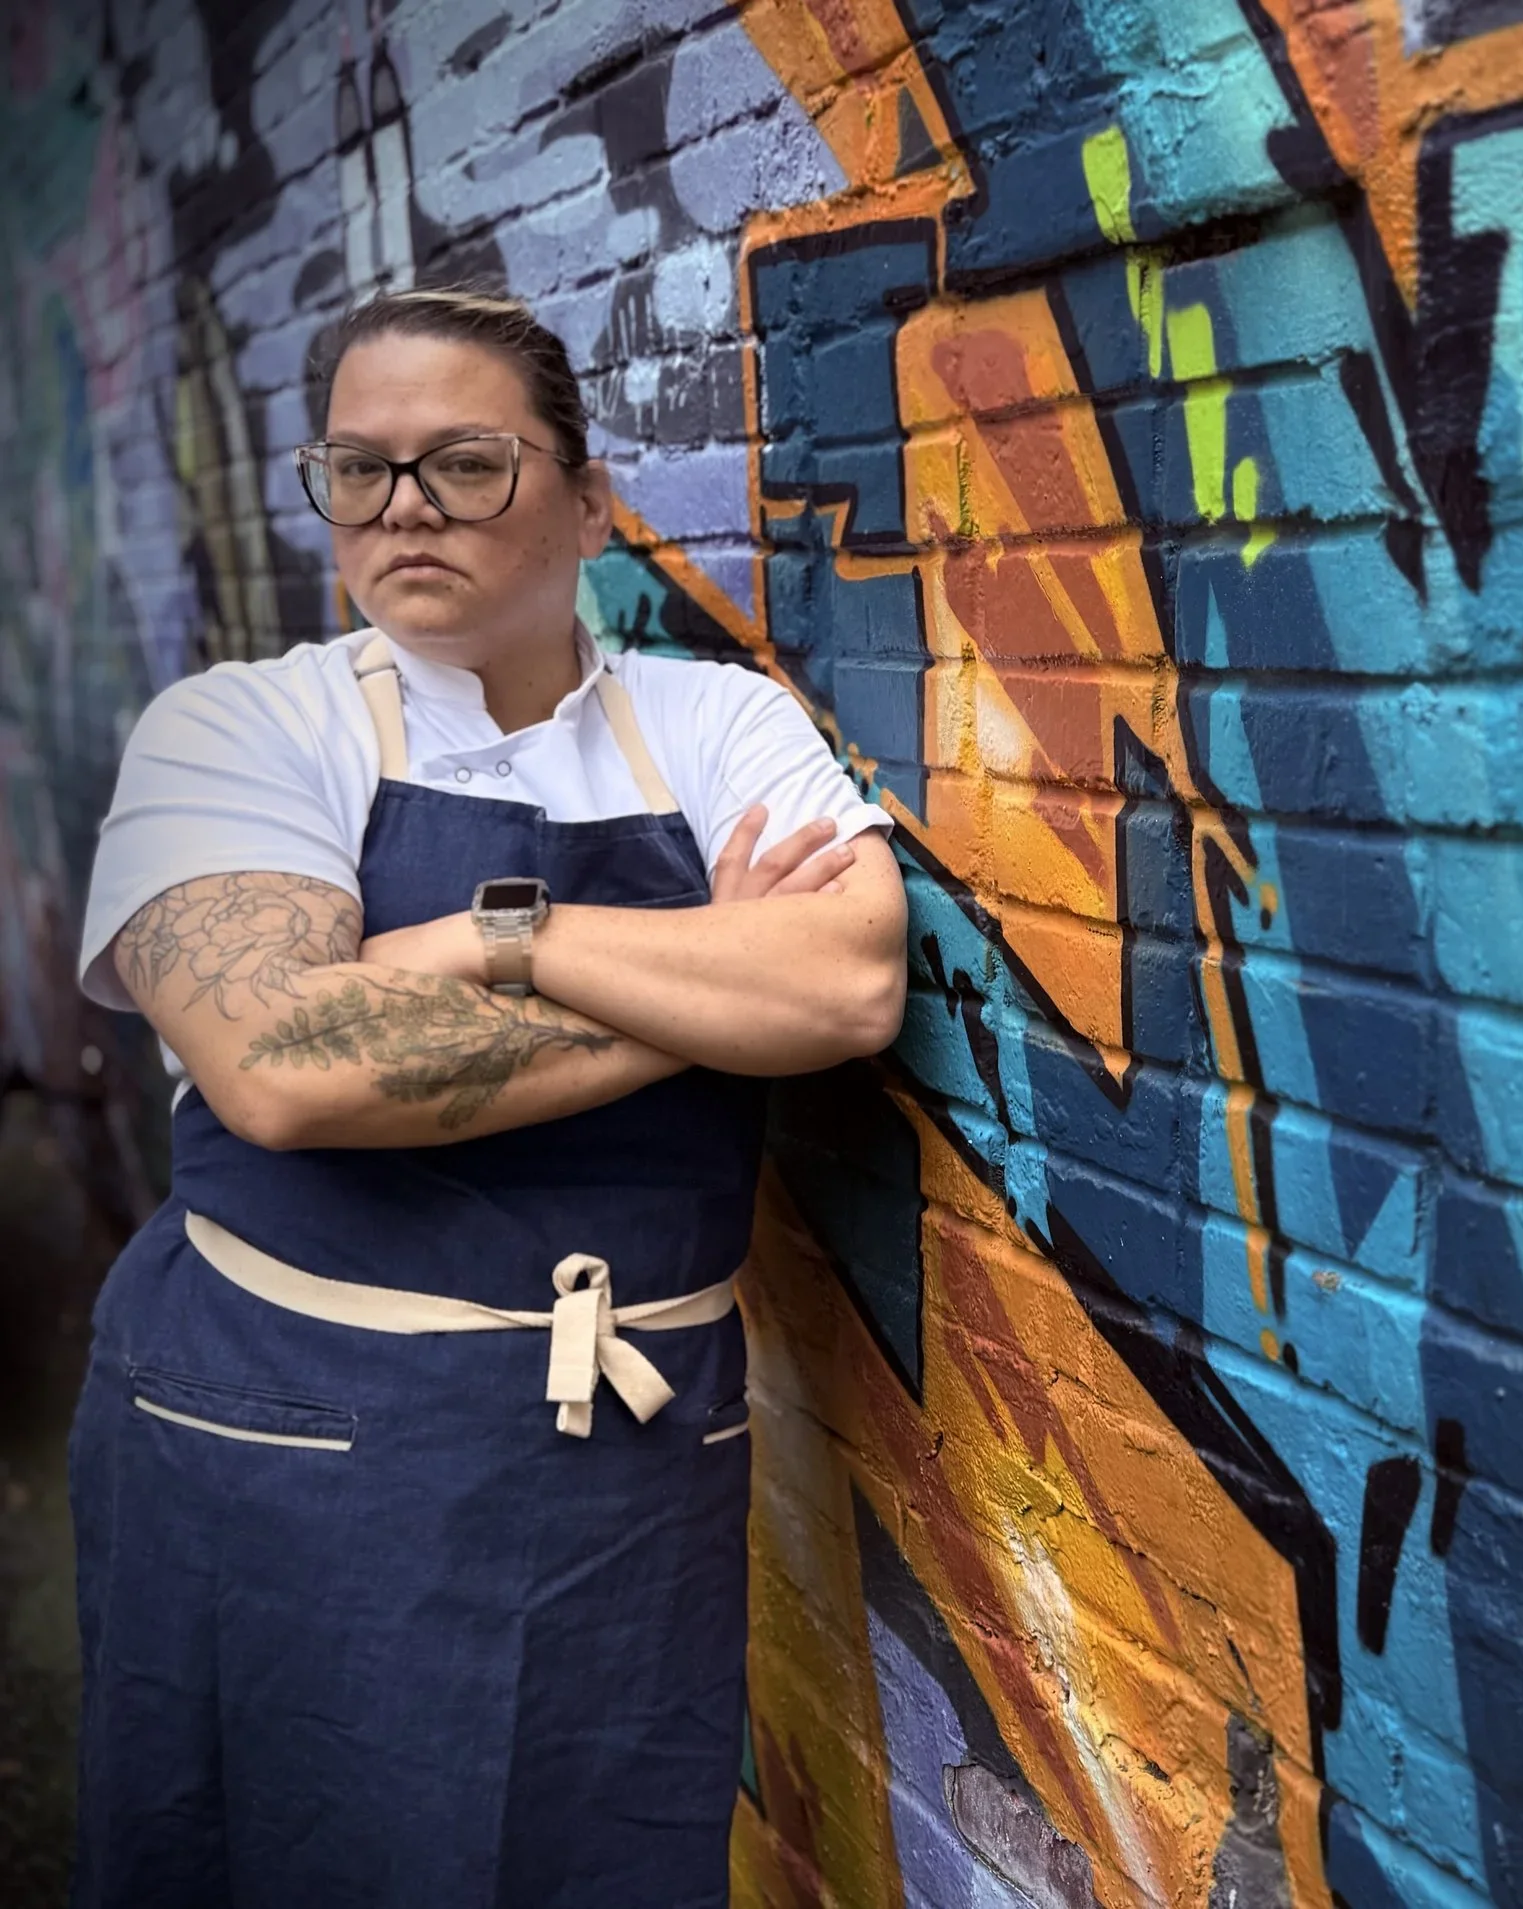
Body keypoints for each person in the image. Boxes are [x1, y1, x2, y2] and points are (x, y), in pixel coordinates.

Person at [66, 287, 906, 1907]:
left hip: (628, 1462)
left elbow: (856, 985)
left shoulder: (717, 719)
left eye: (462, 463)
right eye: (358, 468)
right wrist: (723, 978)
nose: (399, 510)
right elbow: (293, 1070)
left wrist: (491, 944)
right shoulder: (243, 726)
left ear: (591, 500)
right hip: (277, 1433)